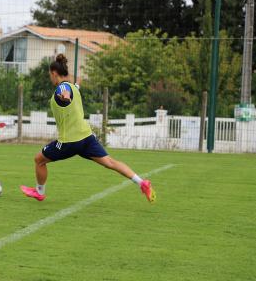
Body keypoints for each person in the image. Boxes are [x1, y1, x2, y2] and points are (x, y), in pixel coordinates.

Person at [20, 54, 155, 203]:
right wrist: (77, 84)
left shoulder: (63, 87)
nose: (50, 78)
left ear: (53, 73)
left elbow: (64, 93)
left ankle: (39, 192)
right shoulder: (74, 87)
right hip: (86, 137)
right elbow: (73, 88)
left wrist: (65, 97)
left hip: (68, 141)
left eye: (49, 75)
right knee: (110, 162)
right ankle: (141, 183)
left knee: (39, 160)